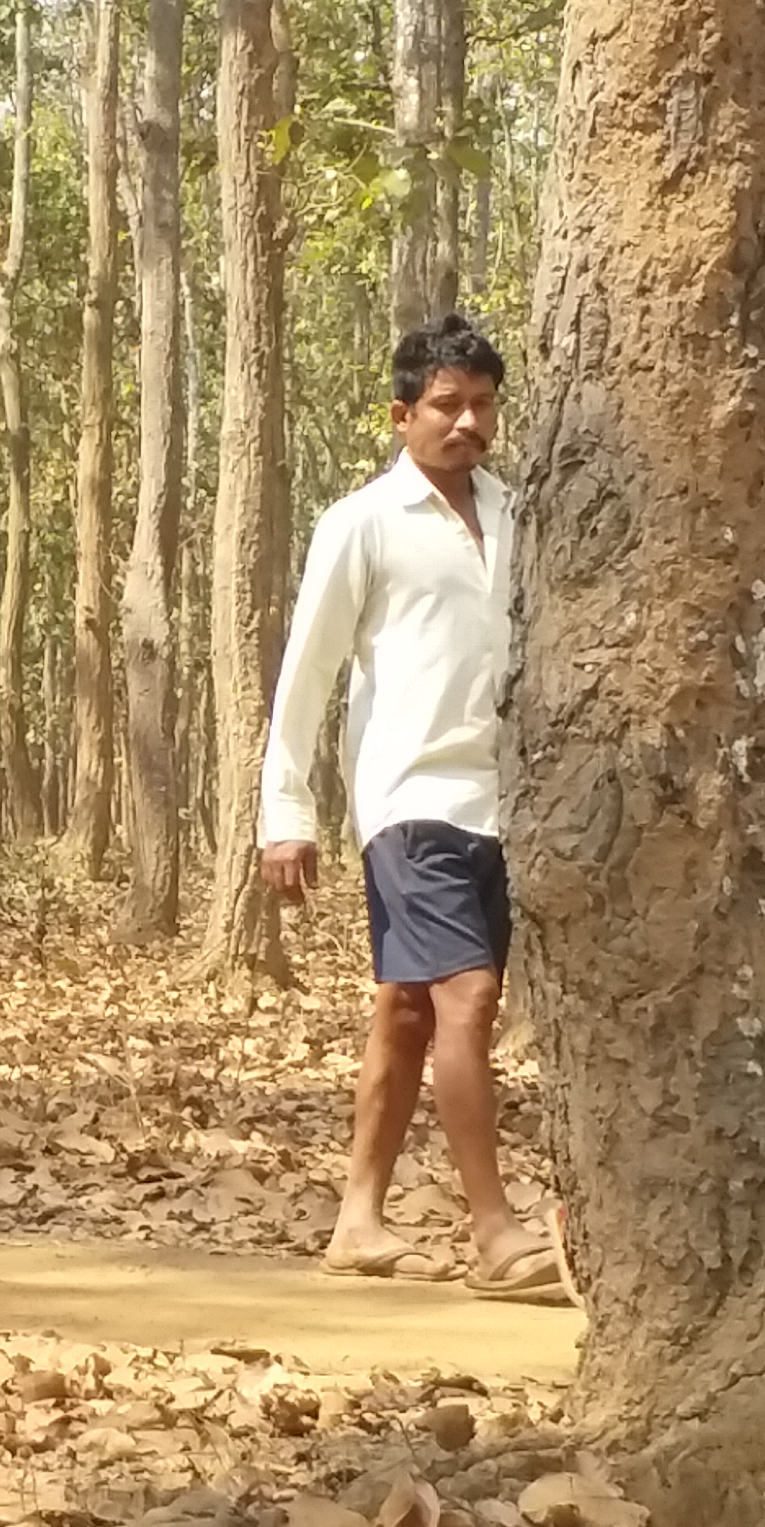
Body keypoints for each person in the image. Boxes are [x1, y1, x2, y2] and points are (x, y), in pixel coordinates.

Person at [255, 318, 563, 1303]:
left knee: (404, 1009)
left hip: (503, 802)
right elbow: (308, 673)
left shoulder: (520, 515)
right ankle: (496, 1232)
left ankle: (358, 1216)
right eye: (446, 406)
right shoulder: (363, 522)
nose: (468, 423)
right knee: (467, 1000)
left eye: (483, 406)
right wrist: (284, 809)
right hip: (409, 799)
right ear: (402, 416)